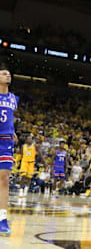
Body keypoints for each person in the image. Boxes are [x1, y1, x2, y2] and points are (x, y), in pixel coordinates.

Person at [0, 66, 18, 235]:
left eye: (9, 73)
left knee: (4, 179)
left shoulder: (14, 98)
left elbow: (9, 117)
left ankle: (2, 219)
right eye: (4, 73)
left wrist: (13, 131)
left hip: (5, 141)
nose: (8, 75)